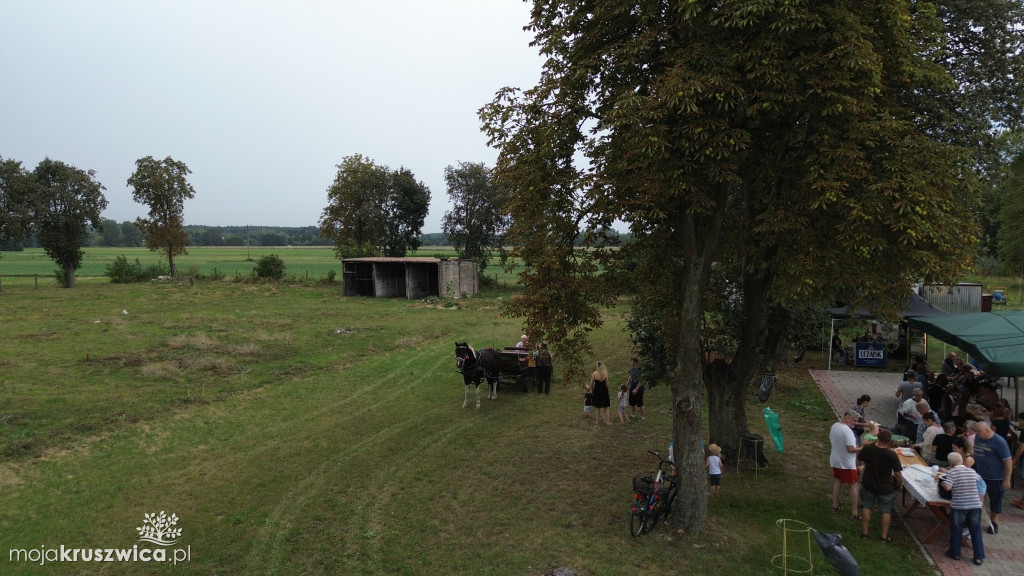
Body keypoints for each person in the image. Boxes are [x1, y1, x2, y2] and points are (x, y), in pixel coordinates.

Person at [857, 428, 902, 542]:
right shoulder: (891, 454)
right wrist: (900, 485)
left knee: (867, 506)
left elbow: (859, 459)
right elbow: (897, 474)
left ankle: (864, 533)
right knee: (886, 511)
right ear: (889, 441)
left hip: (868, 483)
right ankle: (884, 536)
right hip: (885, 486)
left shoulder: (868, 449)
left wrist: (861, 468)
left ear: (878, 437)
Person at [942, 452, 985, 566]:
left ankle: (955, 553)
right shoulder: (972, 471)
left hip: (960, 505)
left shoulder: (952, 472)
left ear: (951, 463)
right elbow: (978, 479)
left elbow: (948, 487)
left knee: (957, 529)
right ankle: (978, 557)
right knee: (975, 530)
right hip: (975, 504)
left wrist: (943, 483)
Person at [971, 421, 1013, 534]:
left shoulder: (999, 442)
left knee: (996, 499)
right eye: (976, 431)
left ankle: (994, 522)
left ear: (987, 430)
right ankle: (976, 520)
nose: (977, 433)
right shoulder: (978, 437)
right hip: (980, 475)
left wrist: (1007, 479)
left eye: (979, 431)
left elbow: (1008, 461)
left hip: (995, 477)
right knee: (977, 499)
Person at [830, 410, 863, 517]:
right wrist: (861, 448)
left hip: (835, 459)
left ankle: (834, 506)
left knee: (837, 481)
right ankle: (854, 512)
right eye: (854, 420)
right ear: (847, 418)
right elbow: (850, 449)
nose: (855, 423)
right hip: (847, 463)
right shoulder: (848, 431)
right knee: (853, 485)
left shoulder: (835, 426)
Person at [589, 361, 612, 425]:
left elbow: (591, 383)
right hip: (604, 391)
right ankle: (607, 422)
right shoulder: (605, 373)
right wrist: (608, 390)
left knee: (597, 407)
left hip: (596, 391)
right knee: (606, 407)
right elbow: (607, 383)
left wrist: (592, 390)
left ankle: (597, 421)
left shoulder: (594, 374)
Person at [626, 357, 645, 421]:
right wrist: (626, 385)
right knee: (633, 403)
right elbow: (630, 377)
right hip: (632, 388)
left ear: (635, 362)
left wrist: (636, 389)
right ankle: (633, 415)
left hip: (639, 389)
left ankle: (642, 417)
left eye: (631, 362)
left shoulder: (640, 371)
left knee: (640, 404)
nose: (631, 363)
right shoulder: (632, 369)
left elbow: (641, 381)